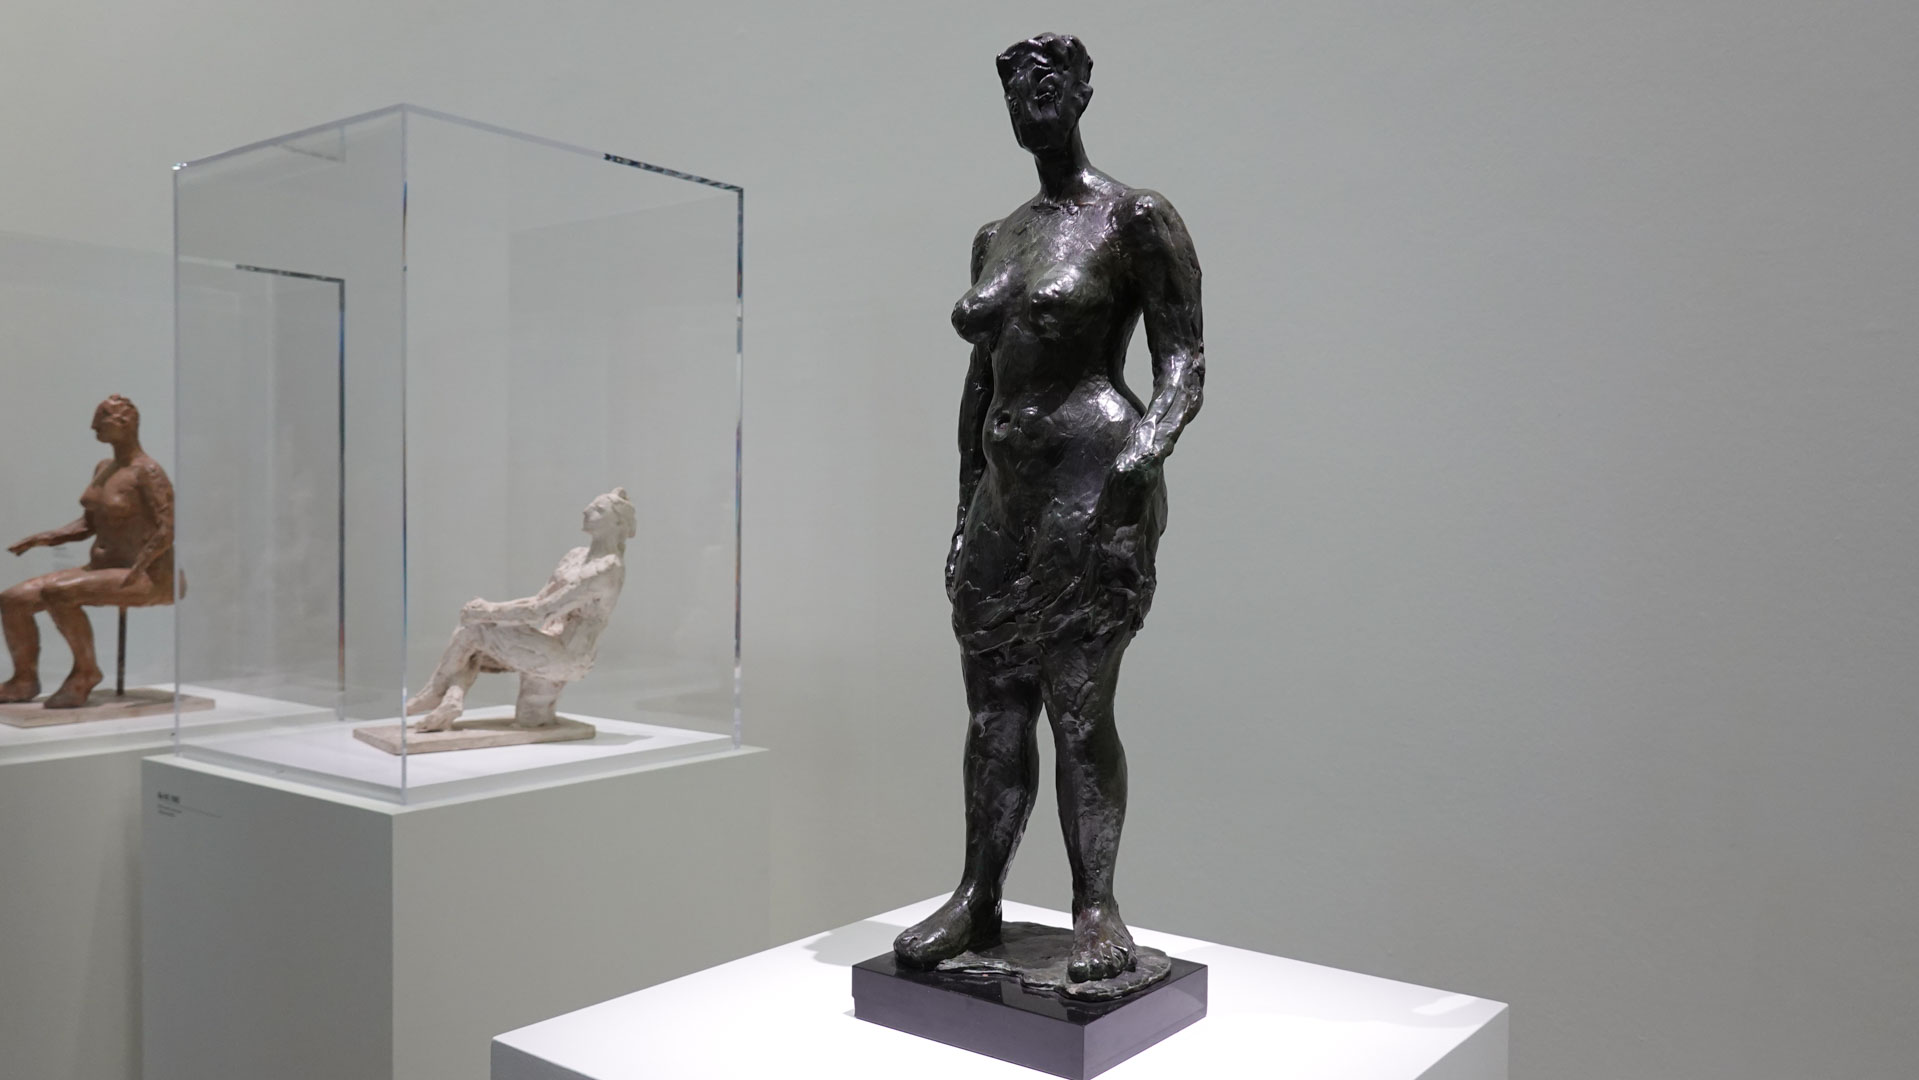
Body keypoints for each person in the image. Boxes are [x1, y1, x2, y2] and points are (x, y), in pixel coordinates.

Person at [894, 33, 1206, 983]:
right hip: (1005, 495)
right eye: (1013, 88)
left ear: (1079, 92)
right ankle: (977, 895)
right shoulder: (997, 235)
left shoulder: (1132, 217)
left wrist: (1142, 456)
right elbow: (979, 386)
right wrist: (962, 511)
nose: (1029, 100)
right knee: (992, 707)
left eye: (1046, 83)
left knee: (1077, 706)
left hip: (1091, 480)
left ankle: (1096, 907)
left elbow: (1183, 361)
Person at [404, 488, 635, 732]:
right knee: (532, 721)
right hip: (546, 643)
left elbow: (542, 611)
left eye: (598, 509)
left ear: (618, 523)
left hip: (566, 656)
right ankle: (452, 699)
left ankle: (435, 692)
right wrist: (490, 612)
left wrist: (488, 611)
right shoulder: (575, 556)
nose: (586, 511)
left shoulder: (607, 568)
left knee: (473, 631)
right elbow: (539, 599)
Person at [2, 395, 177, 708]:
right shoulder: (104, 468)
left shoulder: (147, 472)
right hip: (102, 570)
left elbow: (167, 529)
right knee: (13, 599)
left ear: (125, 423)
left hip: (147, 576)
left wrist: (141, 565)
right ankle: (24, 679)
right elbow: (87, 524)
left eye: (102, 418)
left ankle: (85, 672)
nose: (94, 425)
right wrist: (43, 538)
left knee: (59, 592)